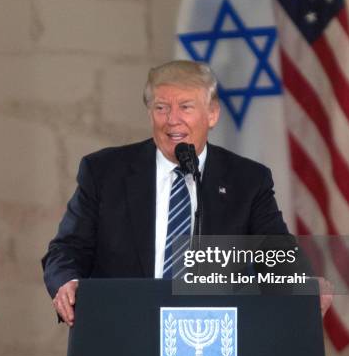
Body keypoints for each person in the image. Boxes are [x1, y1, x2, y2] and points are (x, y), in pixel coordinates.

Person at [42, 60, 331, 326]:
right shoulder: (104, 172)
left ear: (212, 114)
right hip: (123, 327)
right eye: (161, 107)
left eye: (186, 107)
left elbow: (277, 253)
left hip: (213, 333)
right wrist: (66, 282)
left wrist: (303, 280)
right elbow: (66, 250)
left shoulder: (247, 180)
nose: (172, 120)